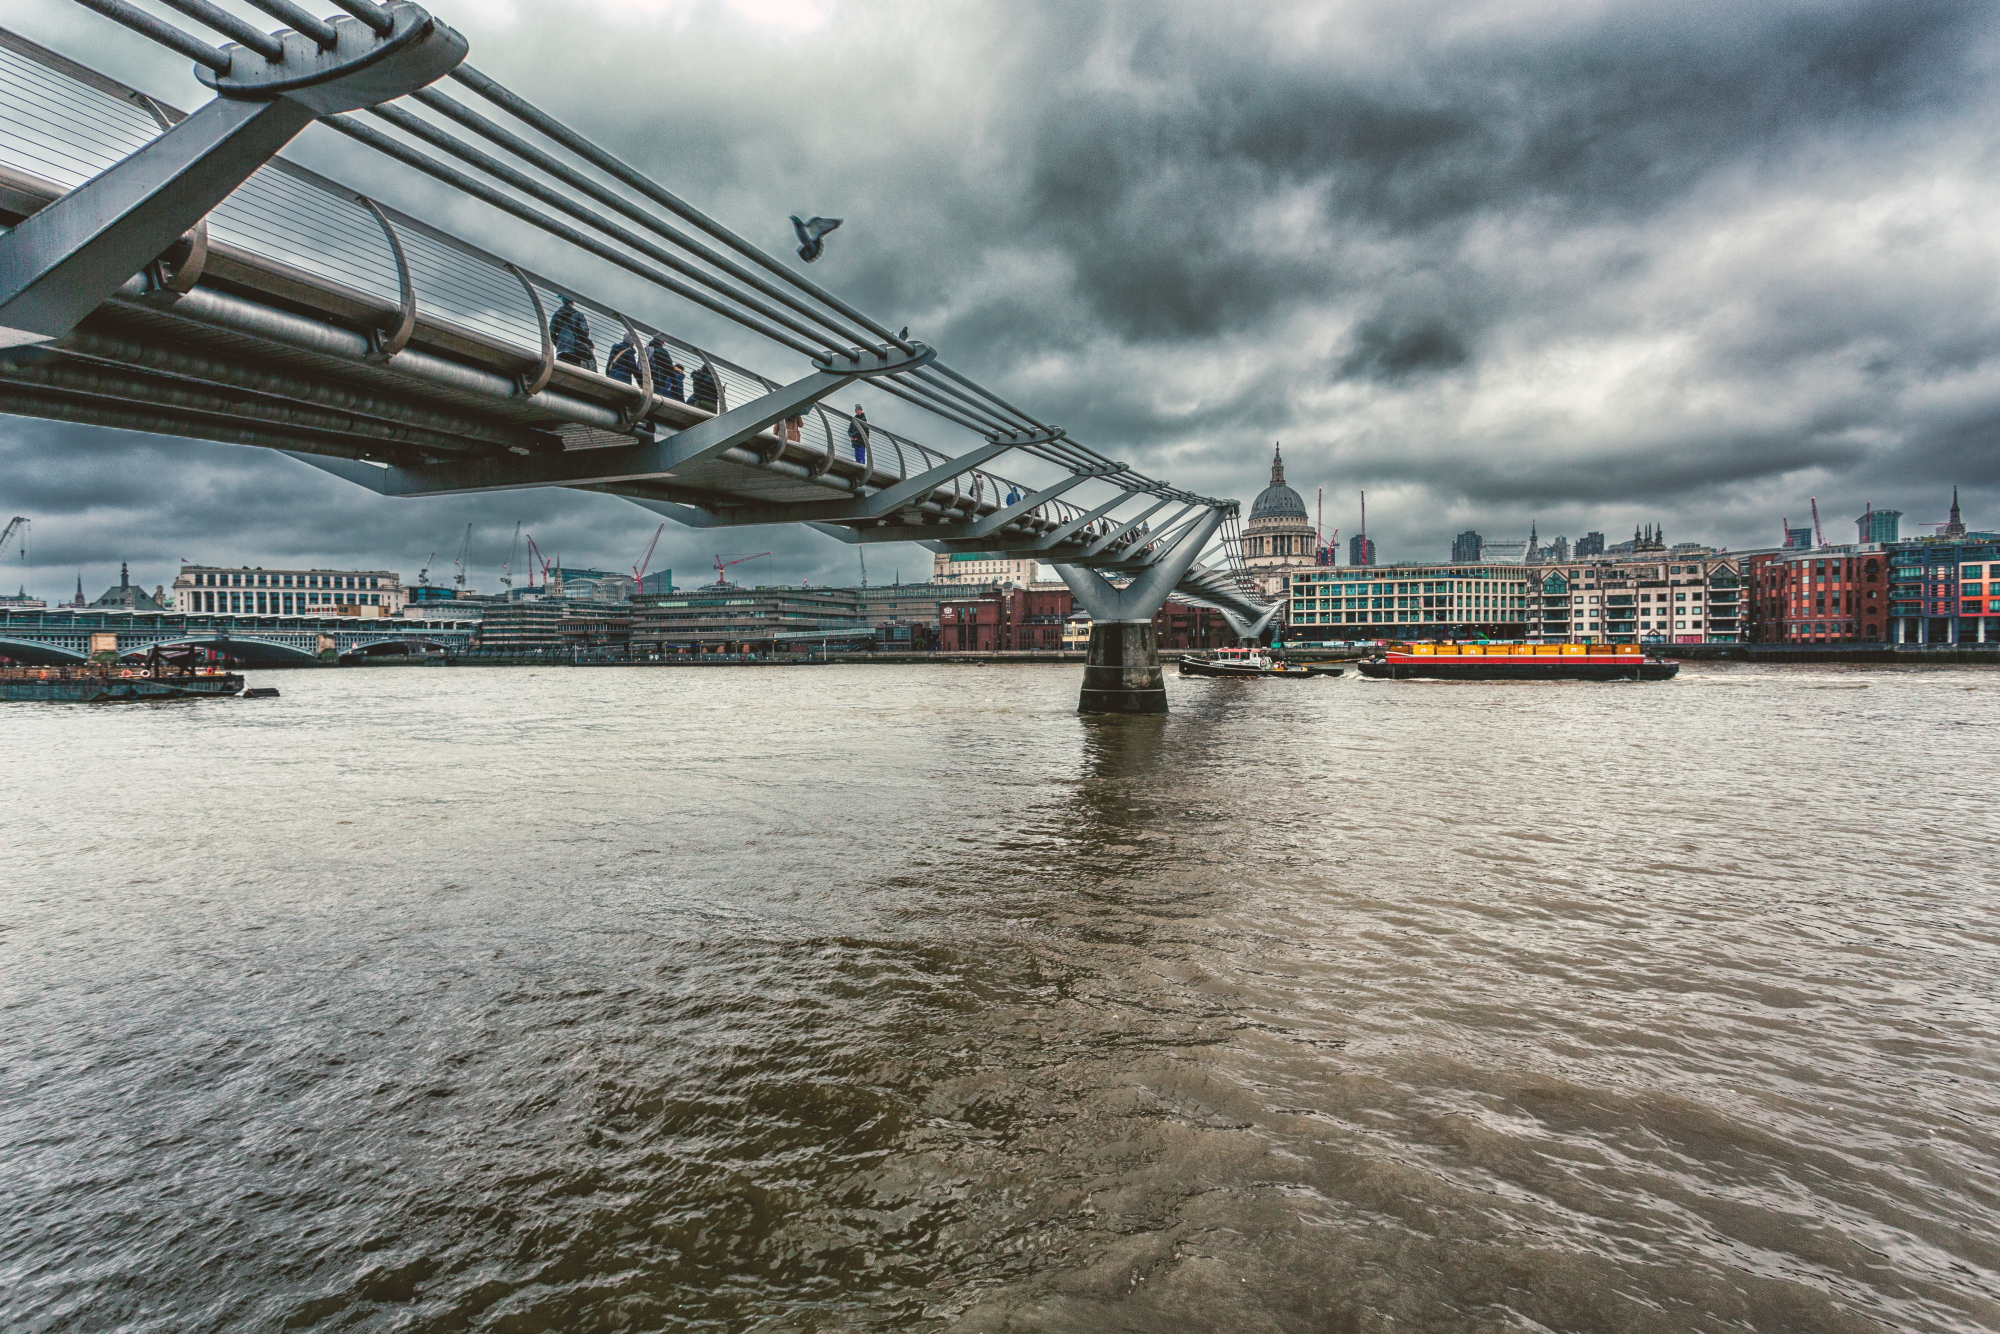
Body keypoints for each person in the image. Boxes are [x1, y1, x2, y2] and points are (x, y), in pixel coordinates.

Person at [550, 296, 595, 371]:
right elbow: (584, 332)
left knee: (562, 371)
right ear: (573, 302)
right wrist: (588, 343)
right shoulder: (578, 315)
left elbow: (552, 333)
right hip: (575, 349)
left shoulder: (556, 315)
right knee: (574, 371)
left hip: (561, 350)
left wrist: (558, 344)